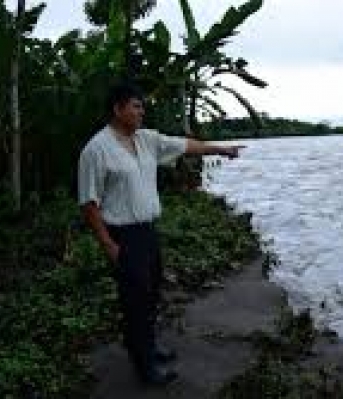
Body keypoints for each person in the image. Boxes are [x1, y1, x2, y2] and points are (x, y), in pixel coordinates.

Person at [78, 82, 244, 386]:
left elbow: (185, 145)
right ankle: (144, 366)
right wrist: (107, 244)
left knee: (151, 293)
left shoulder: (147, 140)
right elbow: (89, 202)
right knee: (135, 300)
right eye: (136, 106)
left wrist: (221, 149)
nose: (142, 111)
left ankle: (146, 346)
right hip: (122, 235)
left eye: (142, 106)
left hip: (148, 232)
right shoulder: (96, 149)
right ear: (118, 109)